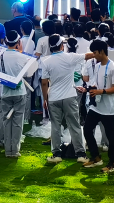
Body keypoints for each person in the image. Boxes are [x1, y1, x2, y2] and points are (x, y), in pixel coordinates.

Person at [42, 35, 93, 163]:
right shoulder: (70, 57)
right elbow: (87, 56)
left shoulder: (46, 61)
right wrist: (101, 51)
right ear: (61, 45)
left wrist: (45, 99)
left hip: (53, 97)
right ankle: (80, 154)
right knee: (74, 125)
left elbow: (44, 83)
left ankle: (56, 154)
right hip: (69, 96)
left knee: (55, 126)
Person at [82, 39, 114, 173]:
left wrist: (101, 91)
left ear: (102, 51)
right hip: (96, 106)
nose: (93, 55)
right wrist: (87, 89)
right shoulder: (98, 66)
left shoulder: (113, 68)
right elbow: (96, 84)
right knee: (87, 130)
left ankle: (113, 163)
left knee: (111, 137)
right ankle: (96, 157)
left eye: (95, 52)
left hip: (108, 109)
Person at [0, 30, 30, 158]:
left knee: (6, 121)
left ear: (6, 41)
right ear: (18, 42)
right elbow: (27, 74)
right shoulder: (23, 57)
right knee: (18, 122)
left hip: (5, 92)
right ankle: (15, 150)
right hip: (20, 92)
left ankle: (8, 150)